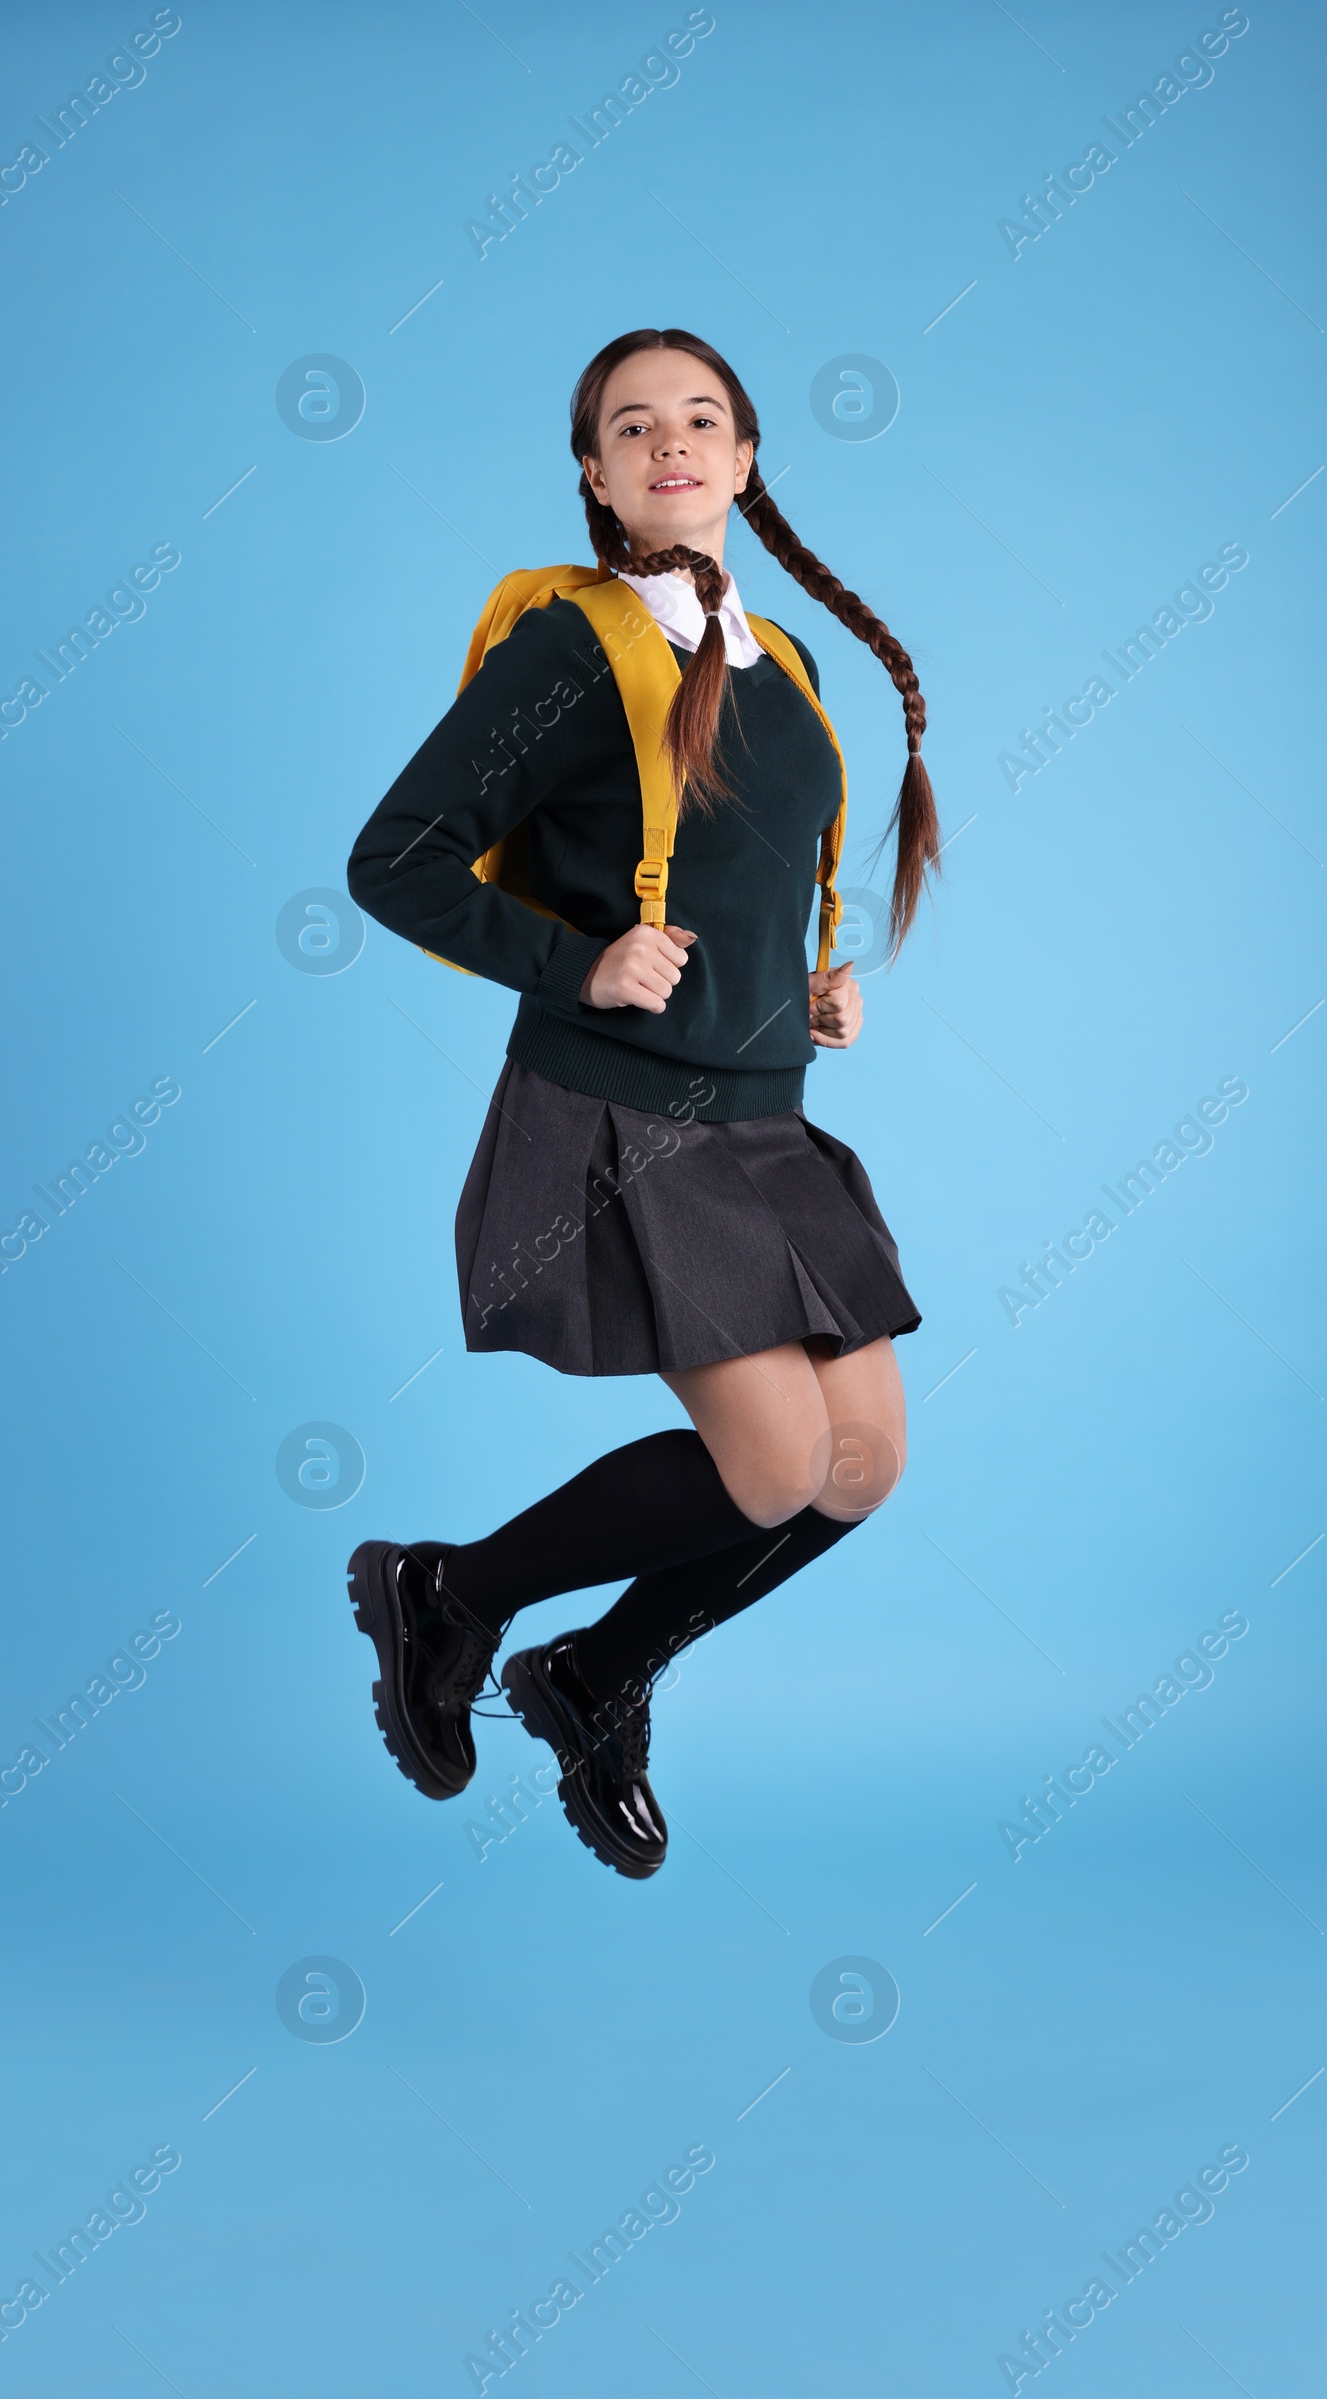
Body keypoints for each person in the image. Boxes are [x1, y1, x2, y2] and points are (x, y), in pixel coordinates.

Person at [344, 326, 938, 1880]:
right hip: (630, 1122)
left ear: (746, 459)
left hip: (763, 1109)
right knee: (768, 1467)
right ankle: (451, 1594)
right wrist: (574, 966)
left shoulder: (783, 662)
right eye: (631, 427)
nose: (670, 444)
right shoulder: (575, 649)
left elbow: (750, 870)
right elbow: (390, 858)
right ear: (597, 477)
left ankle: (598, 1675)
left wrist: (816, 982)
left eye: (700, 420)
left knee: (861, 1466)